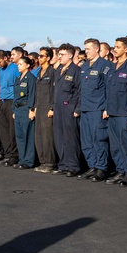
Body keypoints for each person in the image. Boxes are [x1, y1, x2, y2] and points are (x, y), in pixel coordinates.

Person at [104, 37, 127, 186]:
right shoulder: (112, 67)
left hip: (125, 112)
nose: (115, 49)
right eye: (114, 47)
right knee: (115, 145)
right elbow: (108, 90)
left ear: (126, 49)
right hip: (112, 111)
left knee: (126, 143)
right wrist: (107, 108)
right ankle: (120, 170)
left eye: (118, 47)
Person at [78, 39, 112, 181]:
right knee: (86, 140)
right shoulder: (85, 66)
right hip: (85, 108)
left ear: (97, 49)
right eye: (85, 49)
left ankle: (101, 168)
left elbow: (109, 89)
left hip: (98, 108)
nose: (86, 52)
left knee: (99, 139)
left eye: (89, 49)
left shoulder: (105, 66)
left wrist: (106, 108)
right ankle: (92, 166)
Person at [53, 44, 83, 176]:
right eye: (59, 54)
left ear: (70, 55)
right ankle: (63, 164)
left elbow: (79, 91)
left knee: (70, 138)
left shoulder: (76, 70)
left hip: (69, 106)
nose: (59, 57)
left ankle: (73, 166)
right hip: (58, 107)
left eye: (62, 55)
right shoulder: (59, 69)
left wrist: (77, 108)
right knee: (59, 136)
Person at [0, 49, 21, 167]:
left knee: (12, 130)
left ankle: (14, 155)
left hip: (11, 100)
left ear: (6, 58)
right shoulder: (0, 70)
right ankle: (7, 153)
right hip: (2, 100)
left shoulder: (15, 69)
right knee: (3, 130)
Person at [33, 47, 57, 173]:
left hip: (48, 106)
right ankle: (42, 161)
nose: (39, 58)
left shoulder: (52, 72)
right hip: (40, 106)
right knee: (39, 136)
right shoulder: (39, 73)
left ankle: (50, 162)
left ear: (48, 58)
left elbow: (54, 91)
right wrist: (35, 107)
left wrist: (52, 107)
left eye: (42, 56)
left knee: (47, 136)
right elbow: (37, 92)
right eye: (39, 55)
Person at [11, 55, 37, 169]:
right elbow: (15, 95)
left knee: (28, 135)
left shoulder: (31, 78)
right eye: (18, 64)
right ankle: (22, 159)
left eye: (21, 64)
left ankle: (29, 160)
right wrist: (13, 109)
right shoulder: (18, 78)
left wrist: (31, 109)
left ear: (27, 65)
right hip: (18, 109)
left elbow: (32, 95)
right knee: (20, 135)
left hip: (26, 108)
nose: (19, 66)